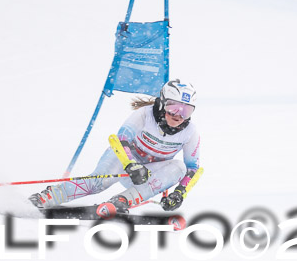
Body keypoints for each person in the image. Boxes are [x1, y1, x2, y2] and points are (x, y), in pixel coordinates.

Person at [29, 79, 201, 214]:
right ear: (162, 103)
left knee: (179, 167)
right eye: (174, 108)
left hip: (146, 175)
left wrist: (180, 192)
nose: (179, 116)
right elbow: (121, 138)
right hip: (124, 160)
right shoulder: (145, 114)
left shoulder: (190, 132)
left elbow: (193, 168)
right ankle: (47, 197)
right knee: (98, 184)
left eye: (186, 111)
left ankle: (121, 202)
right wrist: (130, 164)